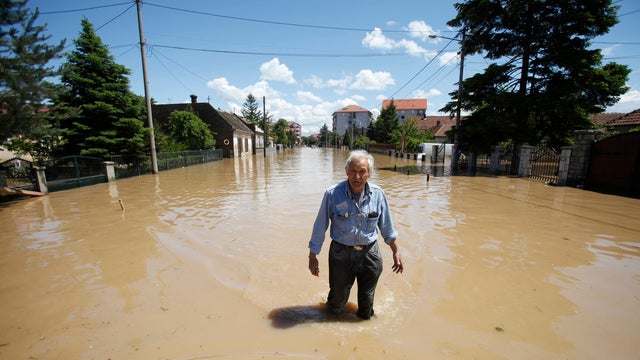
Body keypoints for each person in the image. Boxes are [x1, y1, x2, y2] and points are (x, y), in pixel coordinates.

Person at [308, 149, 403, 320]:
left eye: (362, 171)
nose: (357, 176)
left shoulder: (378, 195)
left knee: (366, 307)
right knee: (337, 302)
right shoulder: (332, 194)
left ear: (369, 174)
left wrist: (396, 251)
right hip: (341, 254)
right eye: (353, 171)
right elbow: (320, 225)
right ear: (346, 172)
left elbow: (387, 227)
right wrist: (312, 255)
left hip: (370, 254)